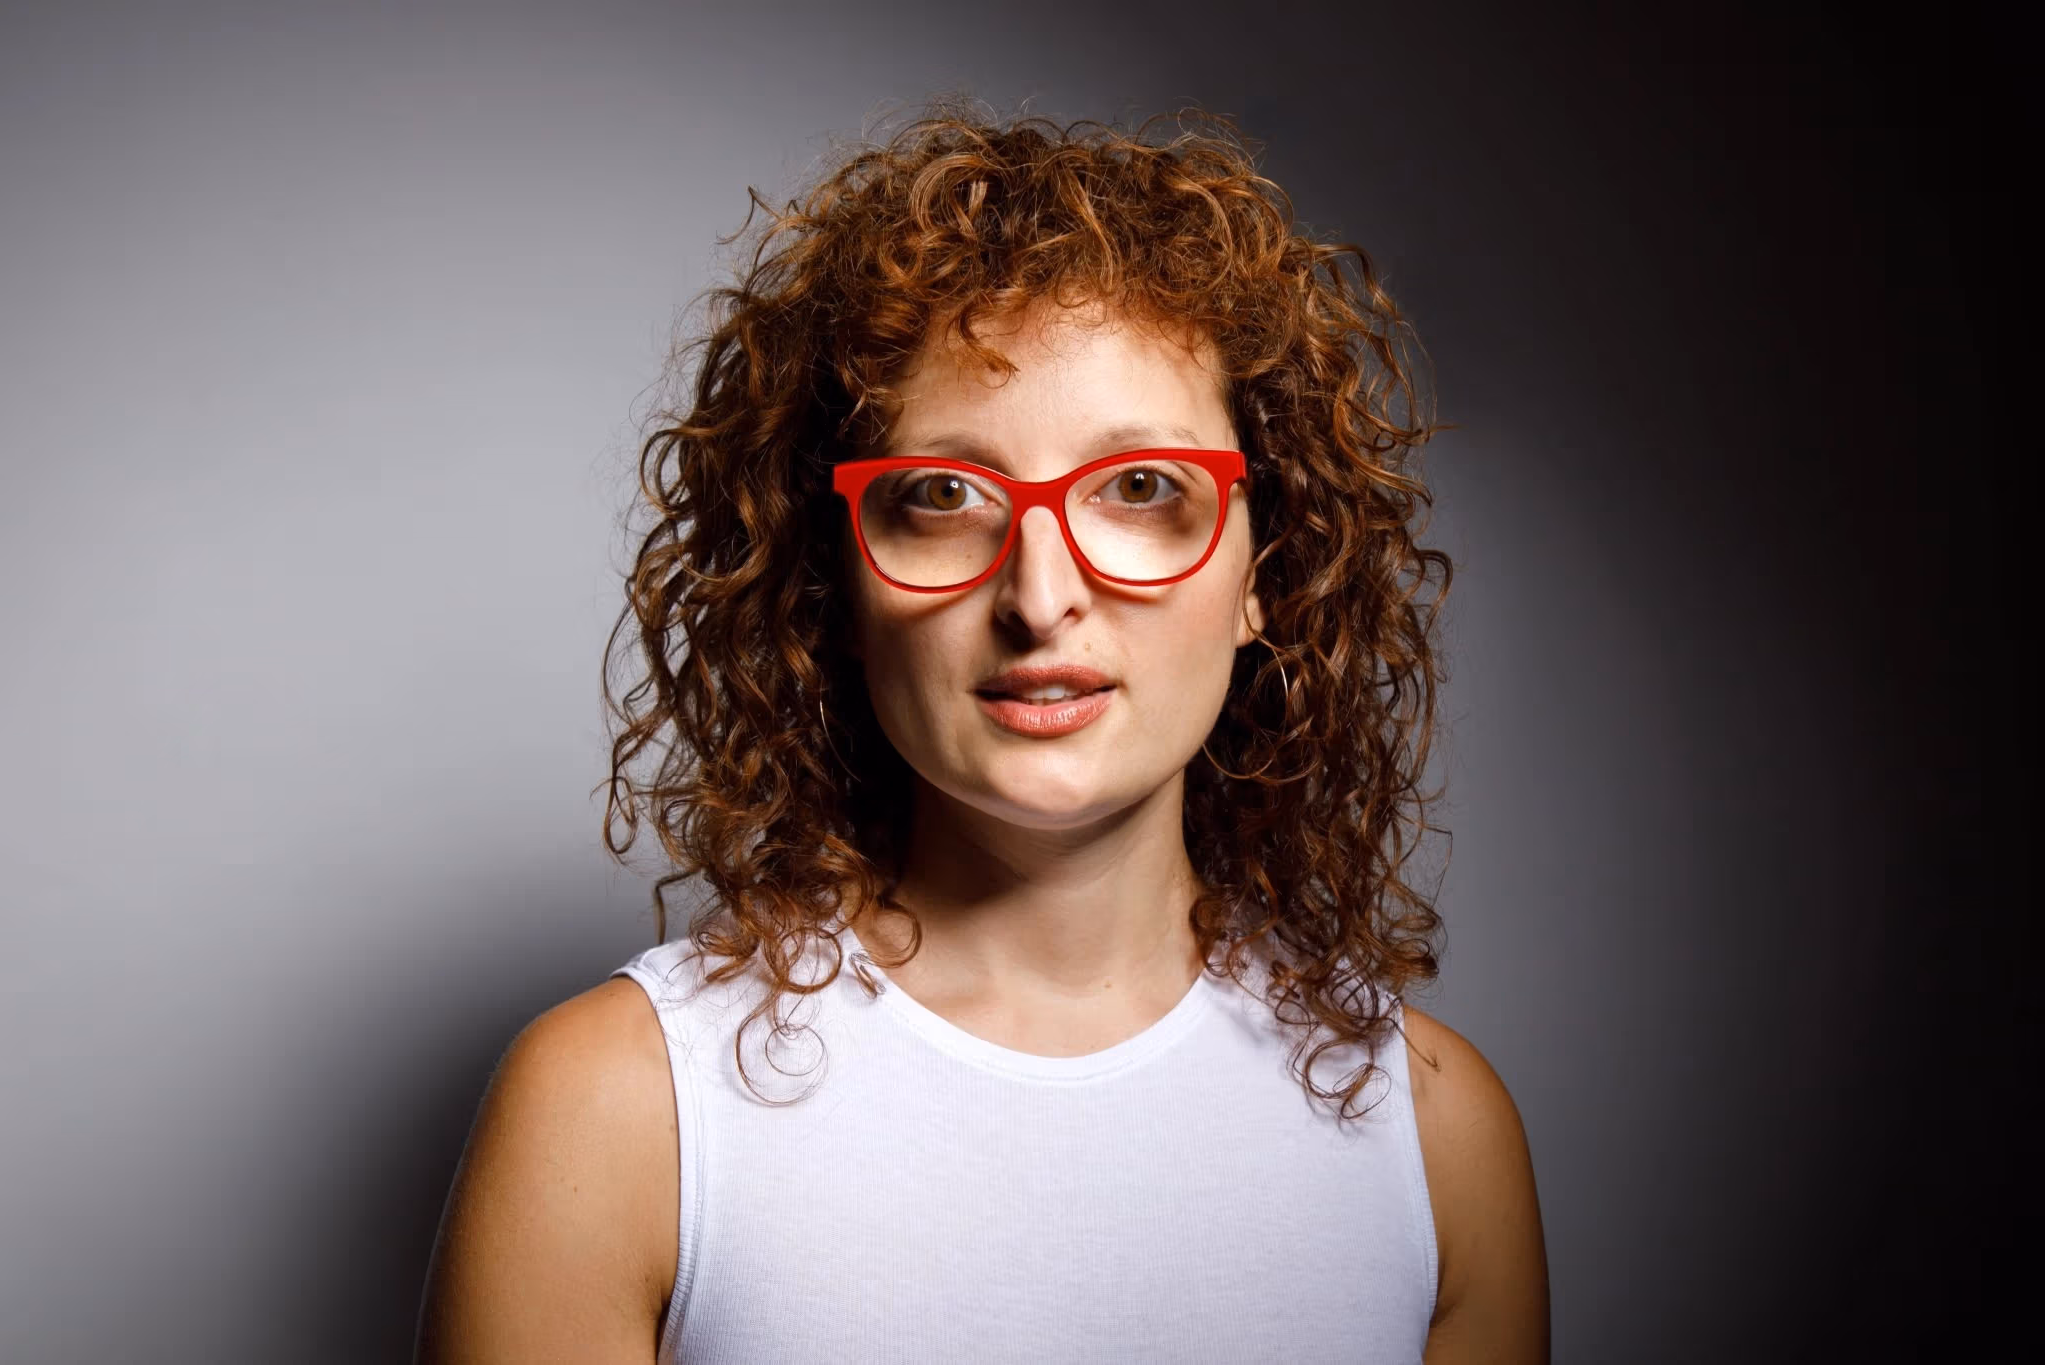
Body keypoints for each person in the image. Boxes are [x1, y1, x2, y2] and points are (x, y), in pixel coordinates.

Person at [416, 100, 1548, 1364]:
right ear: (835, 581)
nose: (1039, 594)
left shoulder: (1436, 1138)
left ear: (1261, 574)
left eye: (1141, 490)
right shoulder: (615, 1113)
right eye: (941, 497)